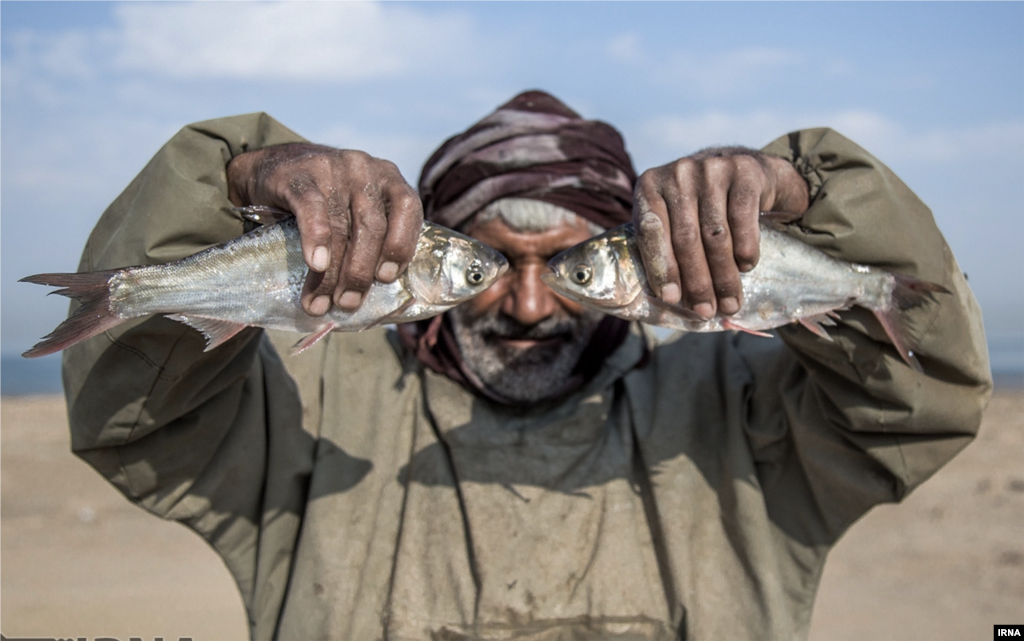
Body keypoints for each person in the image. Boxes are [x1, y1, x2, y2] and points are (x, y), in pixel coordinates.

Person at [62, 91, 991, 641]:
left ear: (670, 250)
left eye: (571, 265)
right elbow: (134, 412)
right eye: (495, 261)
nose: (534, 304)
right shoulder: (308, 414)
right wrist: (228, 179)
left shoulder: (741, 414)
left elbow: (915, 399)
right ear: (412, 246)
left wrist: (813, 195)